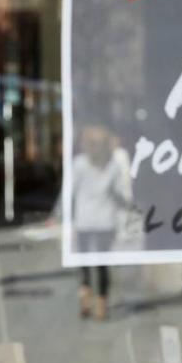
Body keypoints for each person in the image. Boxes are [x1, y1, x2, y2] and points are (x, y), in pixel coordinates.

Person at [70, 126, 132, 320]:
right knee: (102, 264)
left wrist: (68, 219)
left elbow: (70, 192)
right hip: (106, 220)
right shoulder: (112, 165)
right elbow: (119, 193)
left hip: (84, 220)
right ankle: (101, 305)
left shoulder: (79, 164)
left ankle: (85, 299)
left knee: (85, 264)